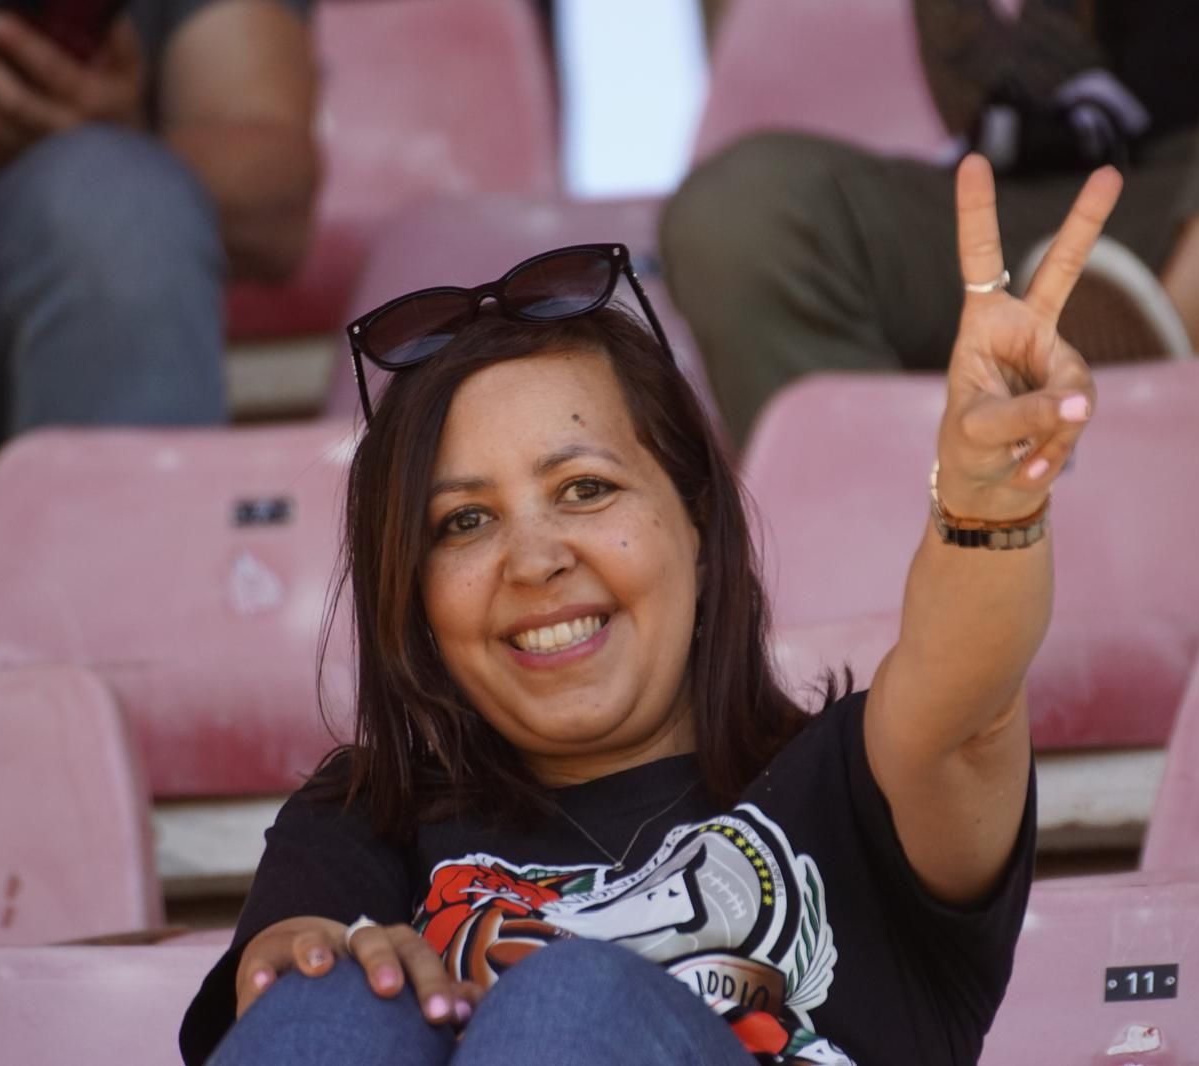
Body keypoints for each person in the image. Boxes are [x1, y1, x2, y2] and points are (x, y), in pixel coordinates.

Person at [178, 158, 1117, 1065]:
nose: (536, 559)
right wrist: (299, 968)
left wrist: (987, 507)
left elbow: (967, 691)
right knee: (331, 998)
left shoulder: (853, 785)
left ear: (699, 528)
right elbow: (284, 995)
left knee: (571, 1001)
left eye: (584, 490)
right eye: (464, 521)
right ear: (416, 599)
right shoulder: (362, 820)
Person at [661, 0, 1199, 445]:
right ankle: (916, 604)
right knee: (746, 222)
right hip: (1121, 230)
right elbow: (1012, 113)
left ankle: (1165, 376)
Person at [0, 0, 319, 459]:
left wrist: (115, 138)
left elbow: (275, 210)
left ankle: (120, 523)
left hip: (17, 349)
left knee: (120, 199)